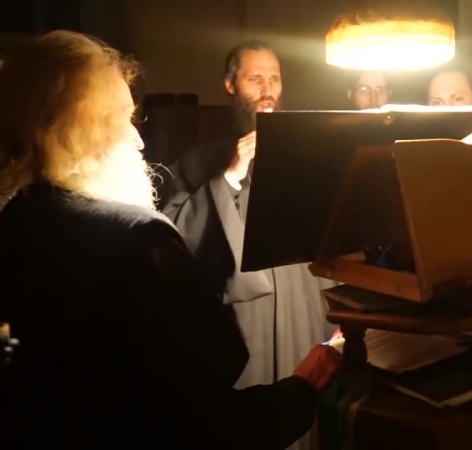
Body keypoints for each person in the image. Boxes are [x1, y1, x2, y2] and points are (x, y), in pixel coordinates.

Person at [0, 30, 342, 448]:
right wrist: (301, 391)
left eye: (275, 78)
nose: (140, 140)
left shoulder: (15, 220)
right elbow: (199, 423)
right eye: (123, 119)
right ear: (76, 128)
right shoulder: (141, 238)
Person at [158, 41, 339, 450]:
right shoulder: (200, 161)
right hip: (246, 321)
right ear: (230, 84)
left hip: (305, 307)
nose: (267, 90)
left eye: (274, 78)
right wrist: (227, 180)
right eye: (255, 79)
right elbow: (173, 235)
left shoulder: (309, 154)